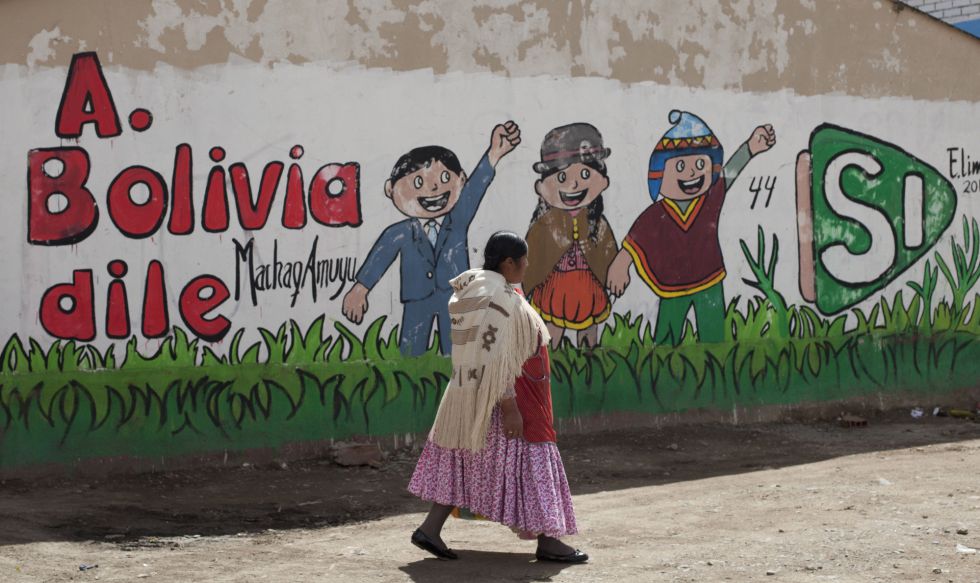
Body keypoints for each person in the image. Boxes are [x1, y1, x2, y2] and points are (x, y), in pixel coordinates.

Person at [407, 231, 587, 563]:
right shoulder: (496, 298)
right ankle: (548, 539)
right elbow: (496, 355)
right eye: (524, 260)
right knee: (533, 464)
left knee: (465, 460)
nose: (527, 265)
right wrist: (509, 406)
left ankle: (430, 529)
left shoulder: (485, 290)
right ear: (508, 263)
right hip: (507, 399)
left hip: (472, 396)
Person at [342, 122, 522, 356]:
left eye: (445, 177)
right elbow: (381, 255)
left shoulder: (457, 221)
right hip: (417, 297)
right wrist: (360, 289)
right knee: (410, 350)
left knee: (457, 350)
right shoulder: (401, 231)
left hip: (456, 296)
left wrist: (494, 154)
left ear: (461, 179)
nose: (434, 187)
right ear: (390, 189)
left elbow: (475, 189)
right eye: (418, 182)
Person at [607, 110, 776, 344]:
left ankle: (715, 369)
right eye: (679, 167)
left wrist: (750, 148)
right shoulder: (657, 214)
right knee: (667, 336)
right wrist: (621, 263)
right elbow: (636, 238)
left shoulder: (711, 198)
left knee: (714, 334)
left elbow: (729, 173)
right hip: (672, 284)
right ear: (659, 175)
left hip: (710, 278)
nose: (692, 172)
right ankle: (663, 372)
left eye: (700, 163)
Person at [524, 123, 618, 349]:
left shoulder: (598, 222)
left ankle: (588, 363)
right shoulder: (544, 224)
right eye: (562, 177)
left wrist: (614, 273)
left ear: (603, 181)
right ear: (541, 187)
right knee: (552, 330)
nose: (574, 184)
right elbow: (531, 256)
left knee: (589, 328)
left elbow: (608, 251)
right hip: (556, 284)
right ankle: (548, 365)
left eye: (585, 173)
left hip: (589, 284)